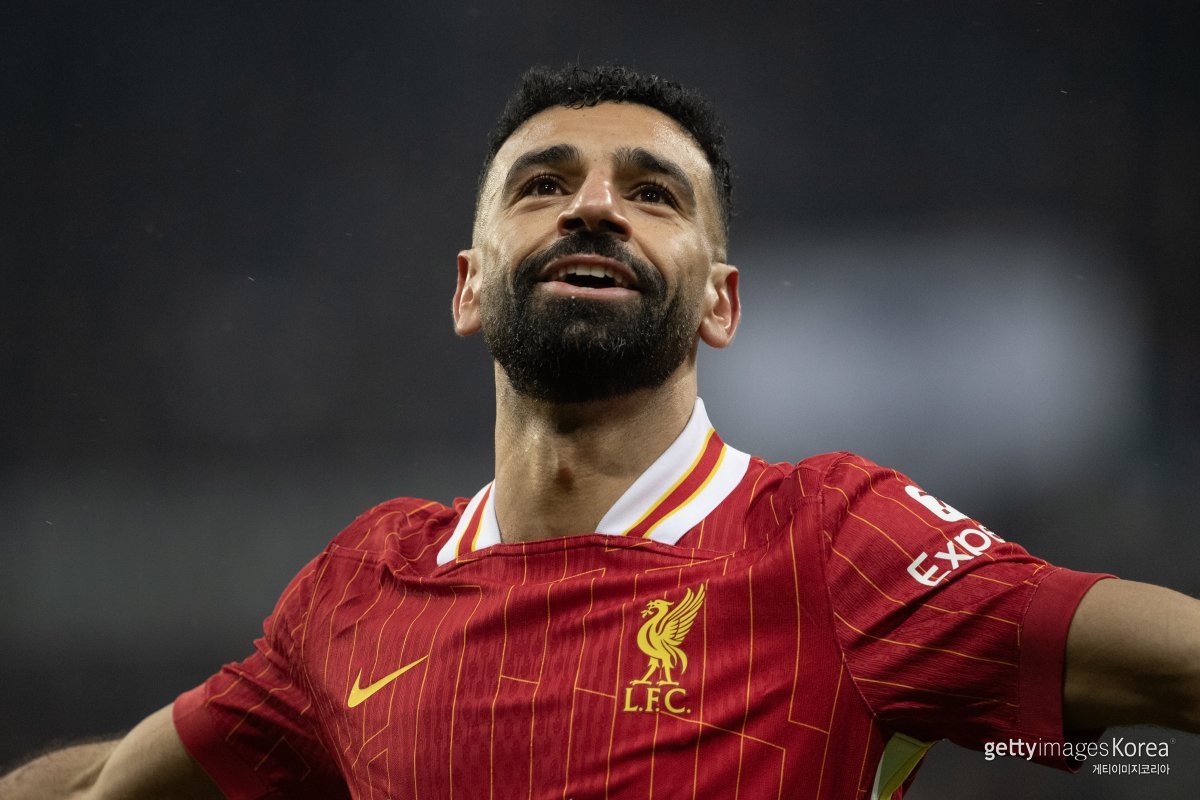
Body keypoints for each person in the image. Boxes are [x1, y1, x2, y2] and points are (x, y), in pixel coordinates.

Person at [3, 64, 1198, 800]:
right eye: (543, 183)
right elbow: (102, 787)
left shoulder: (833, 545)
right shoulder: (359, 592)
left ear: (721, 303)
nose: (592, 205)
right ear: (469, 287)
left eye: (653, 192)